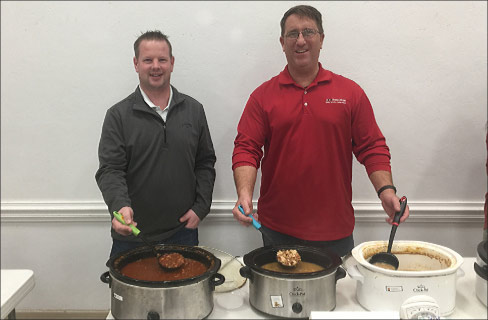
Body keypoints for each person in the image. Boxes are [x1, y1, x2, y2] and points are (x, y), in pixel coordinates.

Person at [231, 5, 410, 257]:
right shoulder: (262, 97)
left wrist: (386, 192)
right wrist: (244, 194)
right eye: (292, 34)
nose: (301, 40)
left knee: (335, 297)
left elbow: (372, 147)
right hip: (276, 230)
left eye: (309, 32)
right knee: (279, 297)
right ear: (282, 42)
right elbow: (246, 148)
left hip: (334, 231)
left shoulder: (350, 93)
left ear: (322, 39)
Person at [96, 30, 216, 258]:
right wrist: (119, 206)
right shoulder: (118, 115)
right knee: (134, 296)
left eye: (162, 59)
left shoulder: (194, 110)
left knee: (185, 295)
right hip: (132, 236)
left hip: (183, 233)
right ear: (136, 63)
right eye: (147, 60)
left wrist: (201, 207)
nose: (155, 66)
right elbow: (110, 170)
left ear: (172, 63)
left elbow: (205, 163)